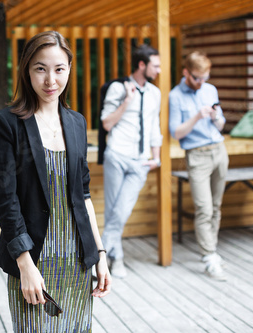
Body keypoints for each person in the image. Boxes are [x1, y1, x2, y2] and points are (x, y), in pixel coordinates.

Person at [0, 31, 111, 332]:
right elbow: (7, 200)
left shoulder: (77, 122)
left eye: (59, 69)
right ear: (27, 71)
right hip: (33, 257)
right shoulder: (6, 124)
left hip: (76, 259)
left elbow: (83, 195)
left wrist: (100, 254)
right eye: (40, 69)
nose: (50, 80)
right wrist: (25, 265)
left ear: (69, 69)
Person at [100, 44, 162, 278]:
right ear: (142, 65)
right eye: (155, 65)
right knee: (113, 211)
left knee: (122, 211)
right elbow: (106, 123)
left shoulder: (155, 93)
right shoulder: (118, 88)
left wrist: (156, 158)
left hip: (141, 161)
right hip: (117, 155)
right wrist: (127, 101)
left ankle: (99, 256)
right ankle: (118, 260)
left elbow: (155, 127)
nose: (159, 70)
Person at [169, 51, 228, 281]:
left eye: (204, 78)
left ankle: (211, 250)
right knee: (204, 209)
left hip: (219, 151)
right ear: (186, 72)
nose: (201, 83)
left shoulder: (210, 89)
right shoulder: (175, 96)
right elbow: (176, 133)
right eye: (196, 78)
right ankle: (209, 255)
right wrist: (196, 117)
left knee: (216, 205)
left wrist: (214, 117)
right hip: (197, 156)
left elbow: (221, 124)